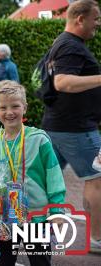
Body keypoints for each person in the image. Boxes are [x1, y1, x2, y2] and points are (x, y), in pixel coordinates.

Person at [41, 0, 101, 253]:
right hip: (76, 129)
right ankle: (97, 239)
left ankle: (33, 235)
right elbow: (63, 82)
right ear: (80, 19)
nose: (98, 23)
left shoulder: (60, 43)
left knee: (44, 183)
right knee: (97, 179)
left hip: (57, 125)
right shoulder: (71, 46)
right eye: (96, 18)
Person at [0, 80, 66, 266]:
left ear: (25, 108)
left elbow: (54, 176)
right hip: (3, 216)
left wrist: (56, 210)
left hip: (36, 217)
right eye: (3, 107)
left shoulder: (39, 140)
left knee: (40, 262)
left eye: (15, 106)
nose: (9, 112)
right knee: (3, 261)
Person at [0, 44, 19, 134]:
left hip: (5, 99)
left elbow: (15, 83)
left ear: (3, 53)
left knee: (5, 121)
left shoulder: (11, 66)